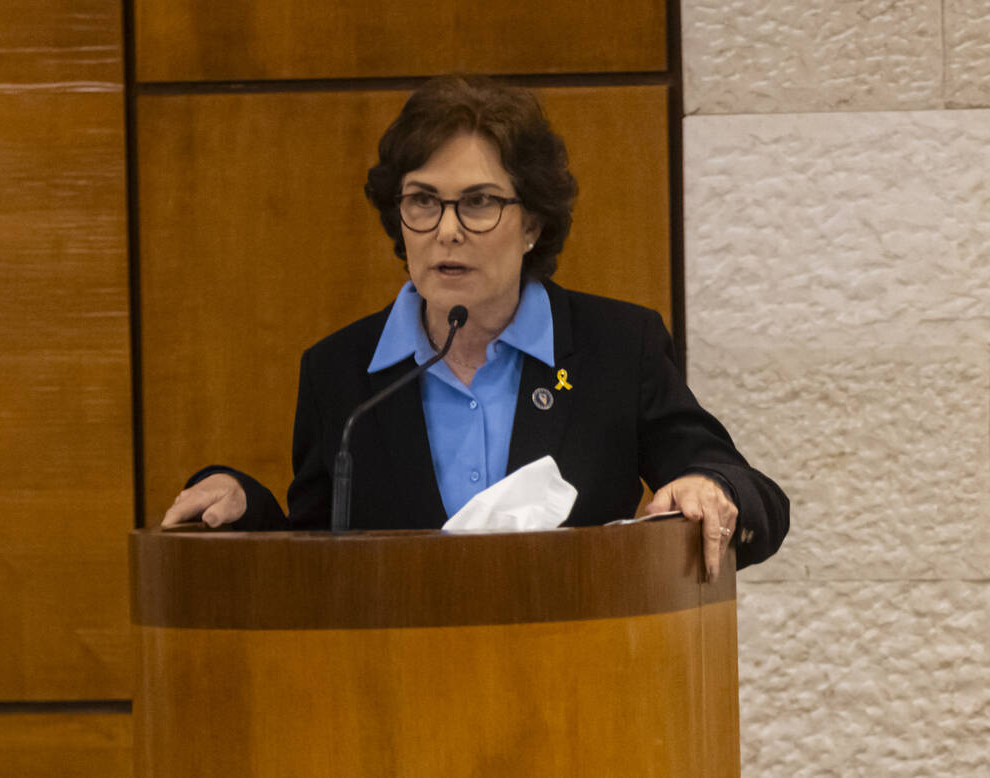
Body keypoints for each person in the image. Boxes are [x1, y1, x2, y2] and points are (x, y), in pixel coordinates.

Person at [162, 75, 788, 576]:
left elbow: (752, 494)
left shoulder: (617, 349)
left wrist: (710, 485)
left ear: (534, 224)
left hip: (584, 691)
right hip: (399, 697)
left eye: (480, 202)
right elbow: (320, 556)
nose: (447, 229)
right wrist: (247, 505)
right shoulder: (344, 372)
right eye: (423, 201)